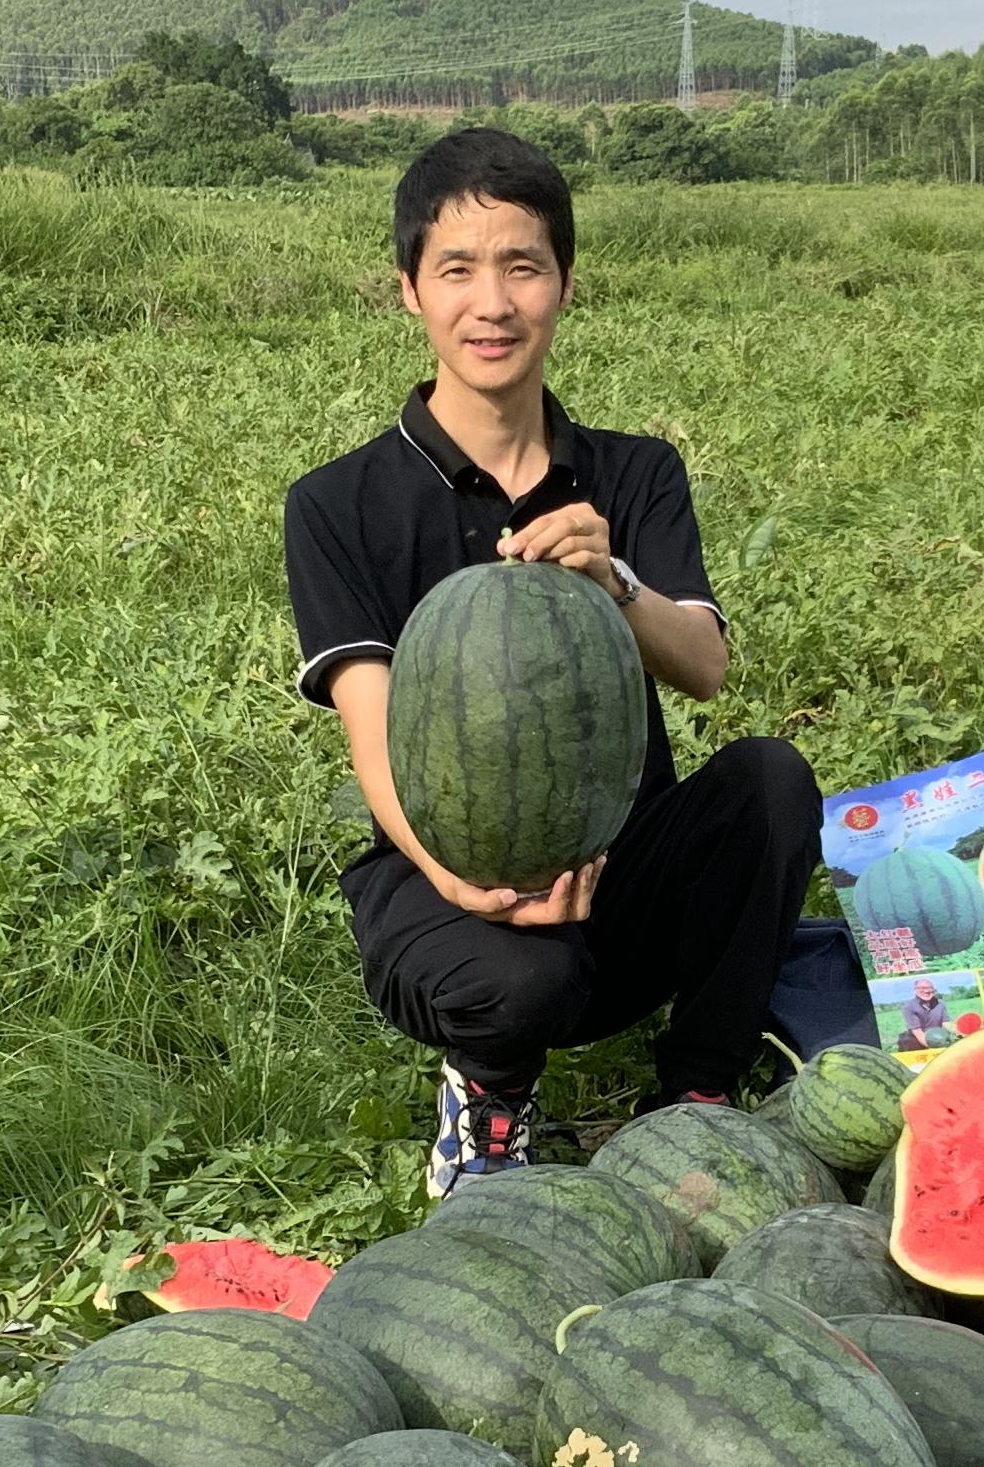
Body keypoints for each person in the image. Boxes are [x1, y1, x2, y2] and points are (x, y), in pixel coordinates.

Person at [285, 127, 821, 1196]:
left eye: (522, 266)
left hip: (618, 873)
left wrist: (614, 580)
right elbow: (372, 725)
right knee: (514, 978)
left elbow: (706, 668)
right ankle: (490, 1097)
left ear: (564, 285)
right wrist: (463, 883)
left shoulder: (635, 472)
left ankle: (695, 1098)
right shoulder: (338, 504)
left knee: (770, 781)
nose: (492, 302)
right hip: (444, 892)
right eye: (458, 270)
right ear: (408, 291)